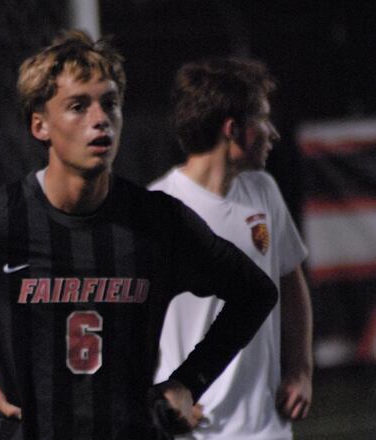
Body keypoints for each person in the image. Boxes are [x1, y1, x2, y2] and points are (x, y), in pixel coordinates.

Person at [0, 30, 278, 439]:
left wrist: (189, 382)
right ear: (40, 126)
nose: (100, 119)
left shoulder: (158, 221)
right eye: (78, 106)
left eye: (110, 103)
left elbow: (255, 292)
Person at [151, 57, 313, 439]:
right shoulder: (157, 208)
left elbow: (291, 285)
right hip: (192, 430)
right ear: (232, 129)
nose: (274, 133)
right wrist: (162, 395)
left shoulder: (264, 191)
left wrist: (301, 370)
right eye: (264, 118)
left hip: (265, 426)